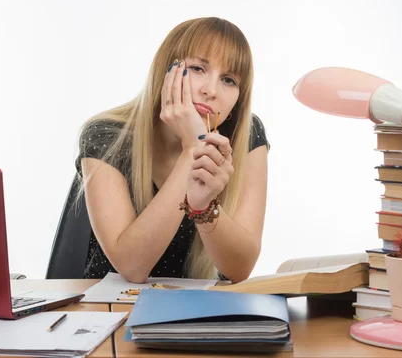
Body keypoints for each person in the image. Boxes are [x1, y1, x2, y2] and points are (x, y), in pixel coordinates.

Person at [74, 17, 270, 284]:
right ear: (165, 72)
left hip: (201, 314)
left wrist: (203, 207)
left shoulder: (246, 135)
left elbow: (240, 269)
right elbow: (132, 267)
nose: (211, 91)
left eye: (228, 79)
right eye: (198, 68)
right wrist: (193, 148)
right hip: (112, 310)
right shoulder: (106, 135)